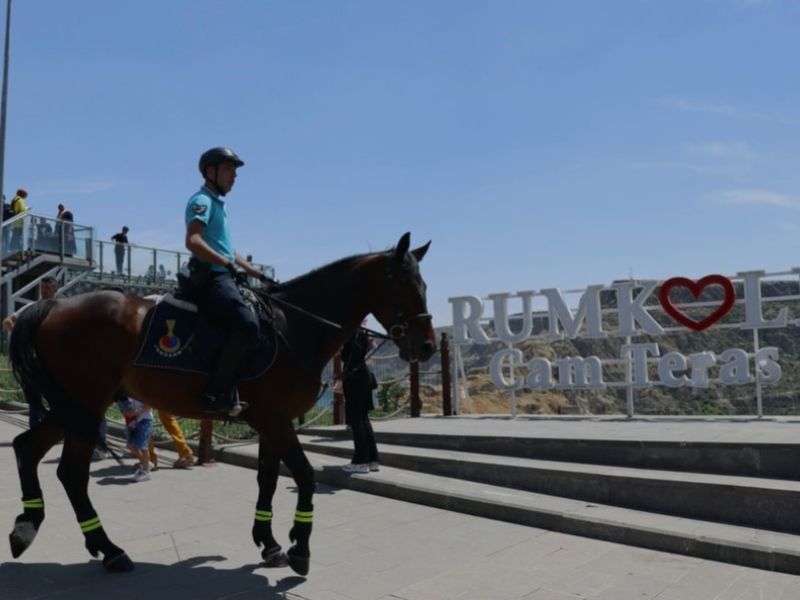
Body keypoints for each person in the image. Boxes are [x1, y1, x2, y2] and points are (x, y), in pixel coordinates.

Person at [184, 147, 270, 416]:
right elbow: (193, 241)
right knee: (246, 325)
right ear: (211, 172)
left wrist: (260, 275)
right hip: (212, 278)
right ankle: (216, 391)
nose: (234, 176)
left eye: (235, 171)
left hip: (223, 274)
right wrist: (227, 265)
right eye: (229, 169)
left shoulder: (218, 204)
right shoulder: (202, 201)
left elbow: (229, 251)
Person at [3, 276, 59, 427]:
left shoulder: (61, 308)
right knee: (34, 399)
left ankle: (51, 431)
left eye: (47, 287)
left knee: (57, 399)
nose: (44, 291)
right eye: (42, 287)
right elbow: (8, 321)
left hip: (54, 362)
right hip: (34, 361)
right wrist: (21, 337)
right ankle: (35, 431)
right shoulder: (31, 307)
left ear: (55, 289)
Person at [339, 324, 380, 474]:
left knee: (356, 420)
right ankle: (372, 460)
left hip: (354, 378)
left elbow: (349, 356)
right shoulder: (363, 332)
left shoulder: (351, 332)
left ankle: (360, 462)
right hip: (365, 377)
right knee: (363, 419)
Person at [115, 393, 153, 482]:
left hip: (145, 420)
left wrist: (137, 411)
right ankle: (146, 463)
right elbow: (128, 412)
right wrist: (139, 410)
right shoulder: (128, 393)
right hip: (134, 421)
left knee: (143, 446)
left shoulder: (144, 390)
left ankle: (146, 471)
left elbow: (150, 405)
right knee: (130, 445)